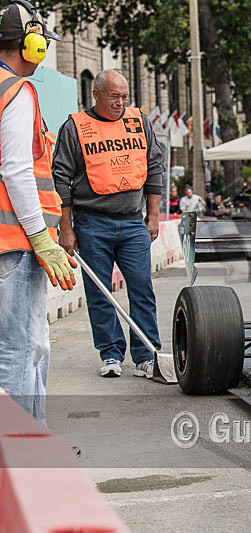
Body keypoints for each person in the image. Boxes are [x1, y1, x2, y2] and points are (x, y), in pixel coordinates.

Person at [54, 70, 164, 378]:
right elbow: (61, 178)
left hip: (132, 224)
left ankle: (147, 353)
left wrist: (152, 216)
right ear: (97, 95)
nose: (120, 103)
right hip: (92, 223)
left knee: (142, 290)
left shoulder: (139, 123)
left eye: (125, 97)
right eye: (114, 96)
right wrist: (67, 227)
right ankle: (111, 353)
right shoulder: (75, 128)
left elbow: (154, 167)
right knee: (99, 292)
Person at [0, 1, 74, 424]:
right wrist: (41, 237)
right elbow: (16, 169)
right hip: (16, 244)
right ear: (28, 44)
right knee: (21, 349)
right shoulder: (17, 92)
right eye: (42, 41)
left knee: (24, 346)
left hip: (10, 245)